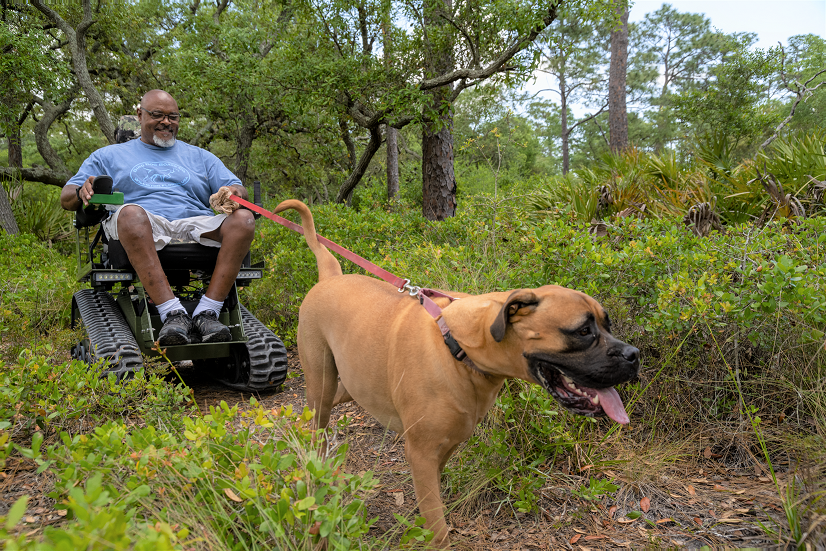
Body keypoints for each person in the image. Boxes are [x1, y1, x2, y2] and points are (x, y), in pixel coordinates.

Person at [61, 89, 255, 347]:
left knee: (244, 219)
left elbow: (237, 188)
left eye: (172, 117)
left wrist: (233, 192)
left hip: (192, 222)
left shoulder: (200, 156)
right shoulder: (108, 156)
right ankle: (172, 313)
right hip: (141, 224)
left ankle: (208, 311)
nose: (166, 122)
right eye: (157, 115)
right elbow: (66, 198)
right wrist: (81, 190)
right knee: (131, 213)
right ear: (140, 115)